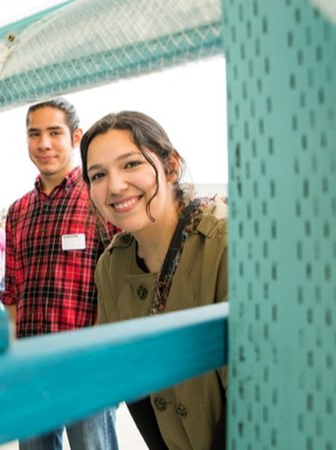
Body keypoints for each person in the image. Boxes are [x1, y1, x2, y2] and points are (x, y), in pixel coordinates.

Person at [80, 111, 228, 450]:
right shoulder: (111, 267)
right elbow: (133, 382)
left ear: (171, 167)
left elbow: (256, 395)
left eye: (131, 164)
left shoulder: (226, 243)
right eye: (98, 174)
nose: (115, 186)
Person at [0, 98, 119, 450]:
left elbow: (119, 288)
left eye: (54, 133)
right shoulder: (19, 211)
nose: (44, 143)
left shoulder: (101, 198)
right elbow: (13, 292)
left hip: (87, 365)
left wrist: (98, 355)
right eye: (34, 134)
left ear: (76, 137)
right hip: (32, 366)